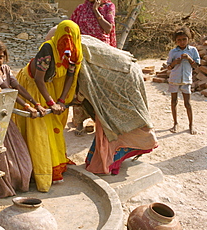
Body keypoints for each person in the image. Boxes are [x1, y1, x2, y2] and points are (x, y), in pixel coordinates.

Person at [14, 20, 83, 192]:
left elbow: (69, 77)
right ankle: (39, 173)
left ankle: (54, 165)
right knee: (38, 132)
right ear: (58, 35)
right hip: (32, 86)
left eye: (70, 37)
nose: (66, 41)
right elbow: (38, 78)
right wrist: (51, 103)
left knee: (53, 130)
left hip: (47, 87)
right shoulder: (48, 49)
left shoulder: (75, 53)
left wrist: (60, 100)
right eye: (64, 36)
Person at [76, 35, 158, 175]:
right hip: (125, 74)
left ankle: (111, 161)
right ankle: (106, 159)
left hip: (120, 83)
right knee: (108, 123)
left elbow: (82, 87)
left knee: (114, 122)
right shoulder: (81, 43)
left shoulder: (77, 54)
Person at [0, 39, 44, 197]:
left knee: (16, 149)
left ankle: (19, 180)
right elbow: (7, 90)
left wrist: (36, 103)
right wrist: (27, 106)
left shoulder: (5, 68)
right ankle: (6, 185)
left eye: (1, 57)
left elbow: (17, 87)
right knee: (0, 154)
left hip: (4, 114)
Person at [71, 0, 117, 136]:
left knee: (100, 88)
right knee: (80, 87)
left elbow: (108, 28)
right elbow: (73, 29)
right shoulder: (80, 8)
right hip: (83, 52)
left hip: (100, 54)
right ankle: (79, 122)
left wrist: (96, 11)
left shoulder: (108, 7)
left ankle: (102, 122)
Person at [167, 26, 200, 135]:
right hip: (174, 79)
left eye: (184, 39)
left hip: (186, 80)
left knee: (187, 103)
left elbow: (196, 66)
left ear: (188, 39)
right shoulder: (173, 52)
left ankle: (191, 125)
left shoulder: (193, 50)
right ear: (175, 41)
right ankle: (175, 123)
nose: (181, 42)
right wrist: (174, 63)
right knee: (174, 101)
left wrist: (190, 59)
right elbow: (168, 67)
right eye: (179, 40)